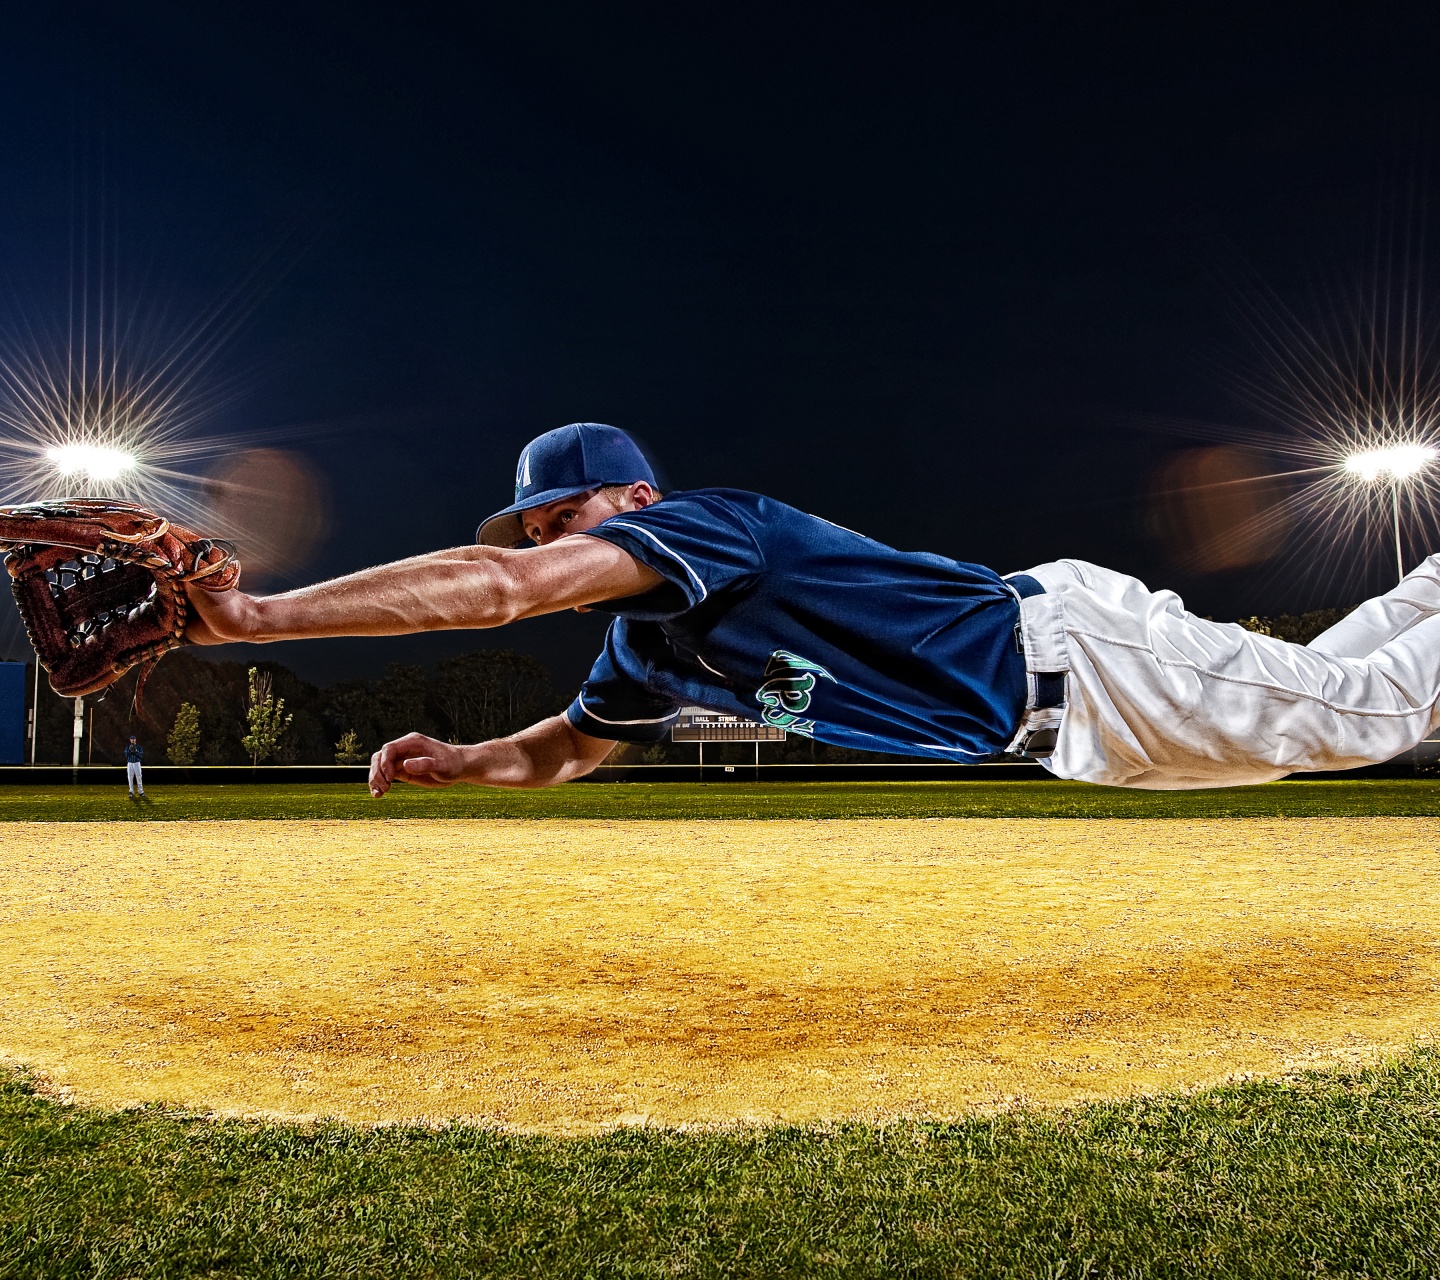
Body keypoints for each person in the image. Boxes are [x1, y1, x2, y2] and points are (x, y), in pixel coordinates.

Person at [181, 422, 1440, 794]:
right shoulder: (648, 643)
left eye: (566, 517)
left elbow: (500, 592)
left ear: (637, 496)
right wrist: (468, 760)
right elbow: (563, 747)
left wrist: (259, 618)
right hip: (1080, 733)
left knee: (1368, 712)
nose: (547, 545)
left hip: (1083, 661)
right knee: (1342, 687)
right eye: (536, 526)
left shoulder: (710, 524)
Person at [124, 734, 145, 798]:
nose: (133, 740)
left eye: (134, 739)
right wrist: (130, 751)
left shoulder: (139, 747)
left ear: (135, 740)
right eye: (131, 739)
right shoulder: (128, 747)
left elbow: (141, 755)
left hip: (137, 763)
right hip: (130, 763)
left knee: (139, 777)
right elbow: (126, 754)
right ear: (130, 740)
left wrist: (135, 751)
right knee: (130, 777)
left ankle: (141, 792)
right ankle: (131, 792)